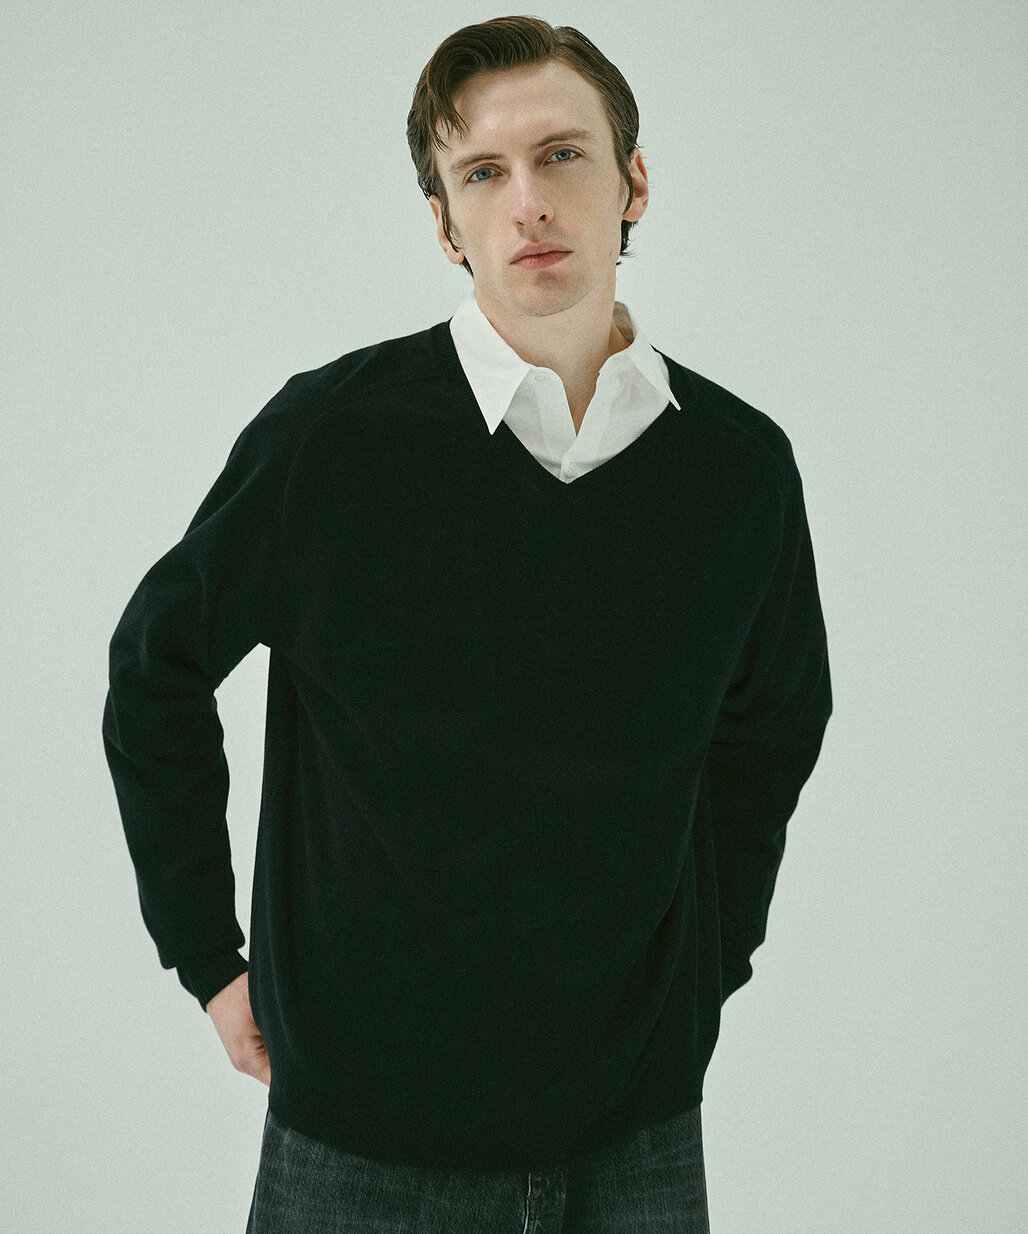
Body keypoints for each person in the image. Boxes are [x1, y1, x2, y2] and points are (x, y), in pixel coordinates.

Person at [103, 16, 832, 1233]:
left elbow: (770, 732)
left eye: (561, 155)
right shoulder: (331, 440)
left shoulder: (736, 468)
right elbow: (155, 668)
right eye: (482, 173)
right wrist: (207, 957)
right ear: (445, 223)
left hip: (635, 1137)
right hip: (363, 1140)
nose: (526, 201)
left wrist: (704, 971)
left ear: (633, 181)